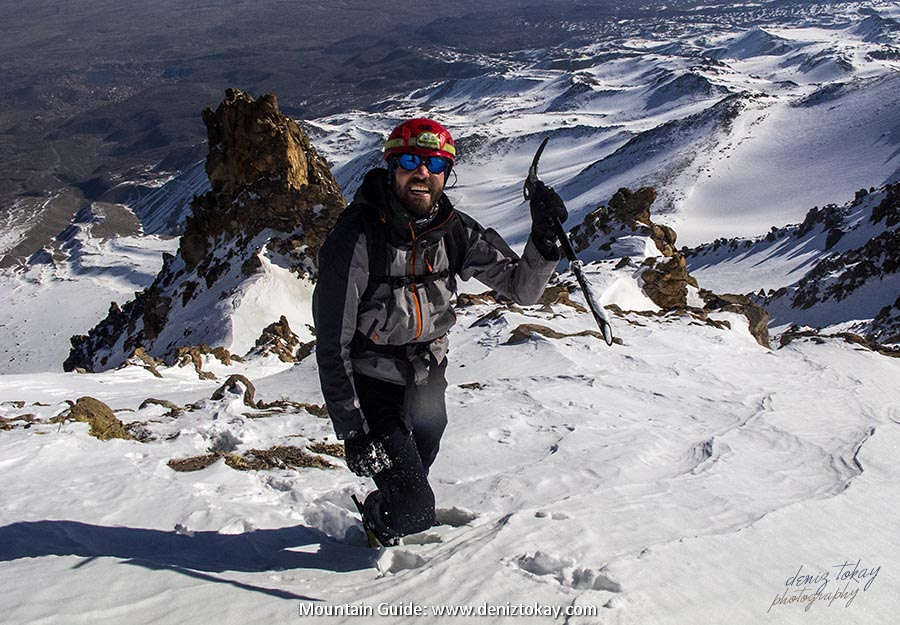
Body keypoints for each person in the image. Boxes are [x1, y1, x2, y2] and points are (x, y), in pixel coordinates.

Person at [313, 118, 567, 545]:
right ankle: (379, 516)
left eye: (433, 163)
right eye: (410, 161)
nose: (422, 173)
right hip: (375, 385)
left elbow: (522, 290)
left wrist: (544, 240)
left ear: (446, 173)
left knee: (415, 471)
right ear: (392, 167)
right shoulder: (356, 237)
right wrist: (352, 430)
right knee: (414, 508)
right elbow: (331, 341)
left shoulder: (453, 230)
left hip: (429, 378)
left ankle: (397, 498)